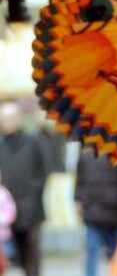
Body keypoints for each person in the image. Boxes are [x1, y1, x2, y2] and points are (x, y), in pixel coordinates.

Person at [0, 100, 49, 276]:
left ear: (18, 119)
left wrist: (33, 196)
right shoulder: (1, 144)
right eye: (3, 119)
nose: (6, 123)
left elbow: (42, 172)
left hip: (31, 206)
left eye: (9, 118)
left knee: (32, 252)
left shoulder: (33, 141)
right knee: (18, 253)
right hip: (8, 209)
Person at [75, 153, 117, 276]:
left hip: (113, 213)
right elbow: (80, 179)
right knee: (96, 252)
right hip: (99, 212)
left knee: (113, 255)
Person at [0, 171, 16, 276]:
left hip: (3, 235)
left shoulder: (3, 194)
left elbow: (10, 211)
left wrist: (2, 219)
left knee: (2, 262)